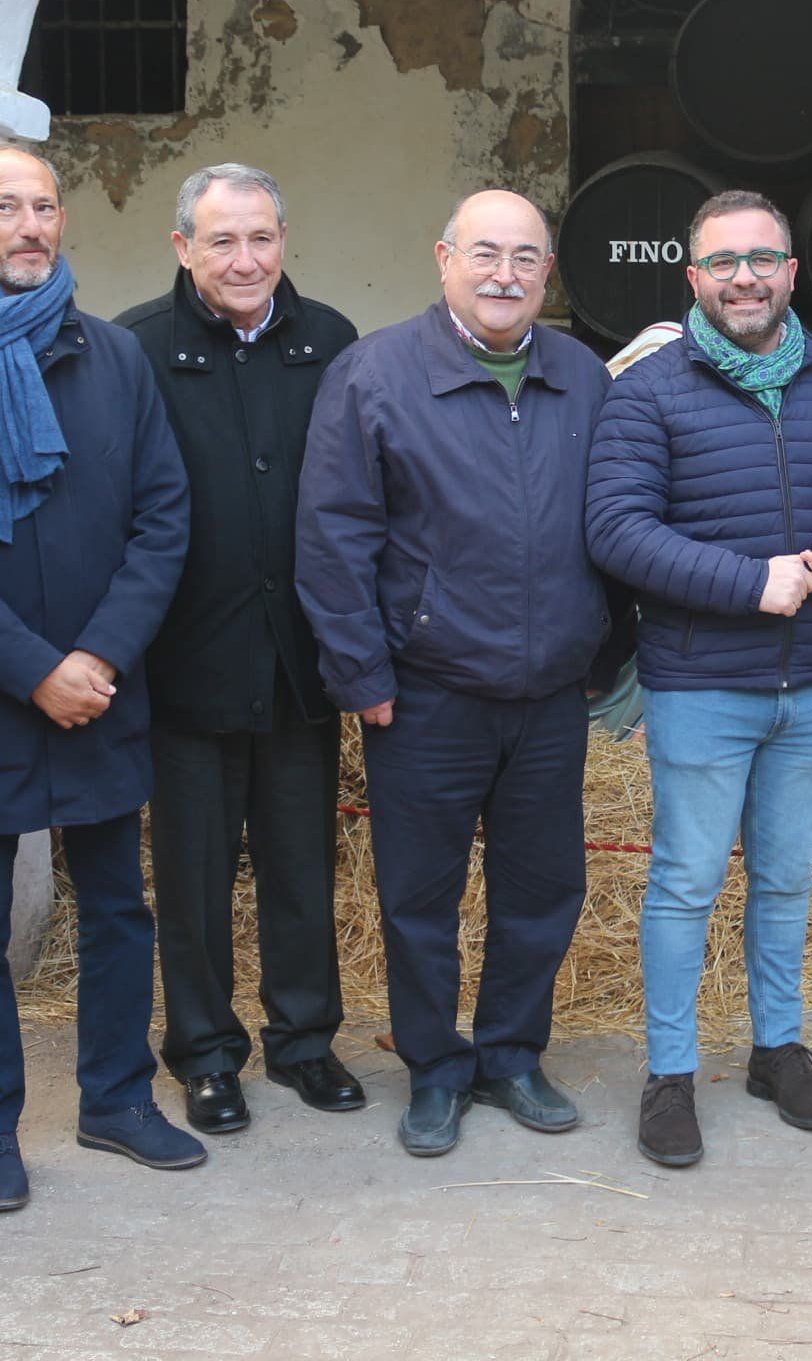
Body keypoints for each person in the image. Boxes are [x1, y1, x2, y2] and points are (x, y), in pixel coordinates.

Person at [0, 144, 197, 1212]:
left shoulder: (114, 358)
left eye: (44, 205)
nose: (29, 225)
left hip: (104, 686)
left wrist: (96, 658)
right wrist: (33, 672)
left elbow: (163, 518)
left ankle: (115, 1099)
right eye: (4, 207)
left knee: (117, 908)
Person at [588, 188, 812, 1169]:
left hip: (810, 685)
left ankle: (776, 1049)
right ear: (694, 279)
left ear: (792, 274)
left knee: (785, 878)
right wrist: (747, 584)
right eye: (722, 262)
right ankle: (671, 1075)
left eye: (763, 258)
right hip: (699, 685)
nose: (744, 278)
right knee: (684, 883)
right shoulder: (650, 391)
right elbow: (617, 531)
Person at [296, 190, 611, 1159]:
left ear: (546, 275)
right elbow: (332, 535)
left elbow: (620, 519)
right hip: (425, 692)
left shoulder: (582, 376)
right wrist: (362, 674)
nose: (503, 275)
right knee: (420, 898)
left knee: (542, 889)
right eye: (484, 253)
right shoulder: (376, 374)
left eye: (524, 258)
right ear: (444, 259)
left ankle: (513, 1054)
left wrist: (600, 652)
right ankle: (435, 1069)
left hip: (549, 695)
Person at [116, 164, 361, 1135]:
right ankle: (207, 1053)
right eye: (222, 241)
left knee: (304, 869)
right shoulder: (135, 349)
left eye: (260, 237)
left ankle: (304, 1042)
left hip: (301, 666)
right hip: (187, 668)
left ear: (284, 237)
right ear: (184, 248)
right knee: (194, 879)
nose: (245, 258)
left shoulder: (331, 343)